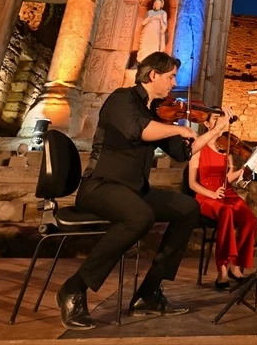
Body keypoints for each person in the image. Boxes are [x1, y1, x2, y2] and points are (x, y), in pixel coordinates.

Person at [54, 52, 232, 330]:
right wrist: (179, 130)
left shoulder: (157, 113)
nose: (174, 83)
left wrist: (214, 130)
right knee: (140, 216)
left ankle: (148, 293)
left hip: (134, 190)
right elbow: (141, 131)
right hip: (101, 186)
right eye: (171, 76)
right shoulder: (122, 99)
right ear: (153, 75)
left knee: (188, 208)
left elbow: (183, 154)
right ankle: (74, 288)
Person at [188, 124, 257, 290]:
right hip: (206, 195)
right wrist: (211, 194)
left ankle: (236, 266)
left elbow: (228, 178)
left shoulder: (225, 147)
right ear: (208, 123)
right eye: (217, 120)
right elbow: (192, 183)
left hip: (227, 193)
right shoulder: (198, 148)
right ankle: (222, 271)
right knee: (226, 212)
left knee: (250, 220)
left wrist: (244, 170)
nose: (221, 125)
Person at [136, 0, 169, 65]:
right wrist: (150, 18)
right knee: (144, 45)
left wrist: (160, 19)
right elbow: (143, 22)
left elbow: (164, 26)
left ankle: (153, 62)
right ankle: (142, 61)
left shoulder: (163, 13)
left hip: (156, 32)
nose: (157, 4)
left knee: (154, 46)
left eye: (158, 3)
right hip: (147, 30)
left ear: (161, 5)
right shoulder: (149, 12)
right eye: (156, 3)